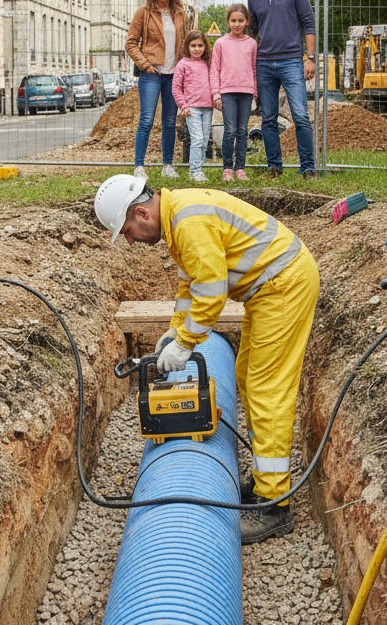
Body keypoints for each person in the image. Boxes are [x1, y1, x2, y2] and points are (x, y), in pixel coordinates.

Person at [94, 174, 320, 546]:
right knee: (246, 376)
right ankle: (266, 481)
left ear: (141, 213)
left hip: (283, 286)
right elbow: (191, 286)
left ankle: (274, 505)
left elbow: (212, 294)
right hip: (271, 288)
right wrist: (172, 330)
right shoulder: (177, 219)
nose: (131, 240)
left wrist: (184, 344)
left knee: (267, 390)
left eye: (128, 231)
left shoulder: (188, 223)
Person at [245, 0, 317, 178]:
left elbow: (308, 23)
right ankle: (274, 167)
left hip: (291, 62)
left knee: (300, 116)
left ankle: (308, 168)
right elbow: (252, 33)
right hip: (264, 64)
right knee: (268, 118)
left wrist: (311, 58)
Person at [125, 0, 192, 180]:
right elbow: (130, 43)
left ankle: (167, 166)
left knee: (170, 122)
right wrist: (145, 65)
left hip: (174, 75)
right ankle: (139, 167)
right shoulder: (143, 13)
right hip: (152, 74)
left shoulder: (180, 14)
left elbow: (185, 44)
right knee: (146, 120)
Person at [209, 4, 257, 182]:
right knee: (230, 130)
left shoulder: (252, 44)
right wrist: (216, 94)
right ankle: (227, 168)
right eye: (233, 21)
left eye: (240, 21)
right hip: (227, 92)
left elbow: (254, 69)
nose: (237, 24)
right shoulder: (221, 43)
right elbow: (214, 70)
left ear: (247, 22)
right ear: (228, 22)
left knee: (242, 131)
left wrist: (255, 91)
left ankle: (240, 169)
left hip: (245, 92)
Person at [172, 30, 214, 182]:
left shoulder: (207, 64)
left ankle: (199, 170)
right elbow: (176, 87)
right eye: (193, 45)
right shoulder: (183, 64)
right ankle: (194, 171)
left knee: (203, 141)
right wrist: (183, 105)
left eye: (200, 45)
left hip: (208, 107)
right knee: (197, 139)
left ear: (205, 46)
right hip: (192, 109)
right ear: (187, 47)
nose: (197, 49)